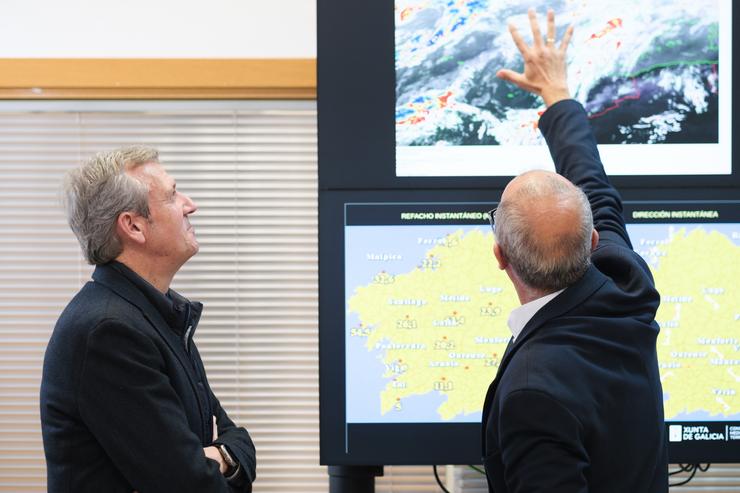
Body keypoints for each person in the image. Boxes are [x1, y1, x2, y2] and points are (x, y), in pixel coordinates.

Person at [481, 8, 668, 493]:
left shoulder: (533, 391)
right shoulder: (626, 287)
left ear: (500, 257)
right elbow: (595, 188)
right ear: (592, 242)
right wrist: (557, 93)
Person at [40, 146, 256, 492]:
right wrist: (215, 458)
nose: (190, 204)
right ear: (134, 226)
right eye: (172, 195)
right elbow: (188, 484)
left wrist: (222, 456)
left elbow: (235, 438)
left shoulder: (158, 315)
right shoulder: (109, 332)